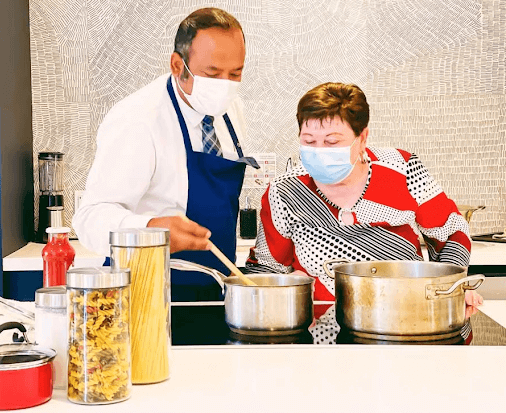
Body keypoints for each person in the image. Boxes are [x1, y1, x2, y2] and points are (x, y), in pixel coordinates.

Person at [73, 8, 259, 301]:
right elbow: (90, 219)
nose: (225, 85)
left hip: (213, 288)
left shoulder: (231, 110)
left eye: (235, 74)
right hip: (147, 292)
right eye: (212, 74)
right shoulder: (138, 119)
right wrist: (151, 229)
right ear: (177, 65)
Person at [246, 82, 483, 311]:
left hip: (404, 314)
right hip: (319, 323)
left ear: (362, 138)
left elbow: (451, 233)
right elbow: (266, 268)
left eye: (332, 142)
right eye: (309, 141)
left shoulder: (402, 168)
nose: (320, 151)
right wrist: (283, 289)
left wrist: (452, 287)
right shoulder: (285, 190)